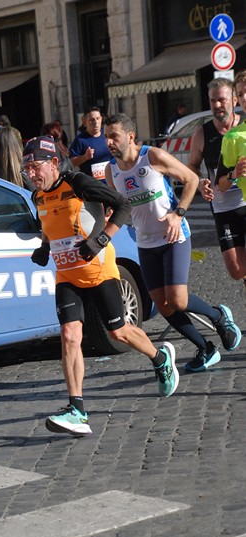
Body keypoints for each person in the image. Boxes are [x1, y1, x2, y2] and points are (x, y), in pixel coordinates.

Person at [23, 135, 180, 436]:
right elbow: (49, 224)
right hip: (67, 275)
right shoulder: (38, 196)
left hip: (98, 271)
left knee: (118, 331)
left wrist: (101, 239)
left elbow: (121, 206)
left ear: (54, 163)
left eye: (35, 167)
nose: (31, 174)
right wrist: (45, 246)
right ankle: (77, 410)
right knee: (70, 335)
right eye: (27, 169)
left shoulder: (78, 183)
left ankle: (160, 358)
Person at [104, 113, 241, 373]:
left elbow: (190, 179)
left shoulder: (152, 156)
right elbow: (121, 205)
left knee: (177, 299)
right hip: (145, 243)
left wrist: (178, 214)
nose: (109, 141)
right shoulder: (112, 171)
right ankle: (205, 348)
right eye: (106, 136)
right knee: (163, 304)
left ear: (130, 136)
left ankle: (219, 316)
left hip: (174, 236)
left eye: (114, 136)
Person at [188, 77, 246, 299]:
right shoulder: (203, 134)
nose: (217, 105)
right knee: (236, 270)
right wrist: (201, 182)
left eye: (222, 100)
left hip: (245, 201)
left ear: (233, 100)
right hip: (223, 209)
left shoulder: (244, 127)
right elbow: (192, 166)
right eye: (213, 101)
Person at [215, 70, 246, 302]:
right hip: (236, 209)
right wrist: (234, 174)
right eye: (241, 94)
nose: (245, 98)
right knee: (238, 270)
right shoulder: (232, 138)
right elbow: (222, 184)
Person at [69, 106, 111, 182]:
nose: (95, 122)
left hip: (111, 182)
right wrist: (85, 157)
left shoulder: (107, 135)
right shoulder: (80, 140)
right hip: (92, 185)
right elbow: (72, 163)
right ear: (85, 122)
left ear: (101, 119)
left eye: (98, 118)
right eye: (92, 120)